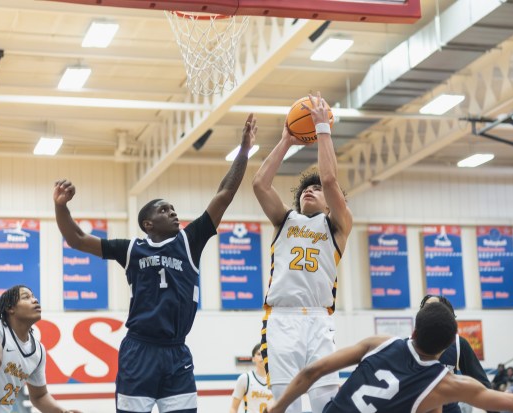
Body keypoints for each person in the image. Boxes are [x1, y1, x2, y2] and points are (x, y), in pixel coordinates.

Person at [53, 114, 257, 413]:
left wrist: (243, 149)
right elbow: (77, 239)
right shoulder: (132, 249)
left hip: (176, 351)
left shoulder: (189, 241)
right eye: (165, 210)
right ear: (148, 223)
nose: (174, 213)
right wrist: (61, 207)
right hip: (139, 350)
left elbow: (224, 194)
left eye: (174, 209)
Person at [264, 302, 513, 413]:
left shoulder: (379, 343)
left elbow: (311, 371)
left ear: (412, 331)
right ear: (449, 349)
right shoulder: (447, 383)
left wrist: (276, 410)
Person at [252, 92, 353, 413]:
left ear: (332, 201)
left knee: (327, 403)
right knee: (288, 406)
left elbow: (329, 178)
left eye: (317, 190)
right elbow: (259, 185)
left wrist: (323, 129)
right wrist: (285, 141)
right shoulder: (285, 220)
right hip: (281, 320)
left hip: (319, 320)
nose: (310, 189)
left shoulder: (337, 225)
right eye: (305, 189)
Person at [0, 286, 82, 413]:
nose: (35, 300)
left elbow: (39, 396)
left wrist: (63, 412)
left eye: (34, 297)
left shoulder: (38, 351)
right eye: (26, 297)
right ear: (10, 308)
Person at [419, 295, 492, 413]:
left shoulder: (459, 343)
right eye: (425, 307)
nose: (428, 311)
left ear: (446, 314)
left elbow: (483, 386)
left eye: (433, 307)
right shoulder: (407, 345)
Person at [230, 343, 273, 413]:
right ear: (253, 359)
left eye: (265, 354)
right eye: (259, 354)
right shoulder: (245, 378)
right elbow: (233, 408)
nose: (262, 356)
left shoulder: (276, 380)